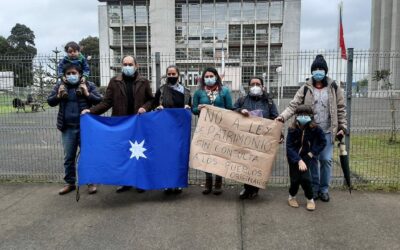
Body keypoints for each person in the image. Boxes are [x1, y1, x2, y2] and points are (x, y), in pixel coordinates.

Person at [276, 54, 347, 202]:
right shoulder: (305, 88)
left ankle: (324, 189)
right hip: (310, 130)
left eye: (321, 69)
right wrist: (282, 117)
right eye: (315, 69)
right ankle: (314, 189)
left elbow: (341, 108)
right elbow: (293, 105)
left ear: (326, 71)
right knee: (312, 160)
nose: (318, 71)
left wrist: (342, 126)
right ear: (312, 71)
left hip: (327, 130)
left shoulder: (334, 87)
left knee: (326, 160)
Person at [81, 55, 154, 193]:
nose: (127, 67)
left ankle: (140, 182)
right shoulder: (114, 82)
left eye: (130, 64)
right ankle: (125, 182)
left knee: (139, 154)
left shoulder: (143, 81)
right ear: (121, 66)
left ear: (136, 66)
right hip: (120, 124)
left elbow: (151, 100)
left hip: (138, 124)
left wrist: (145, 107)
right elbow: (106, 102)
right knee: (123, 153)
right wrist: (90, 112)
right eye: (125, 64)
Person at [47, 63, 102, 195]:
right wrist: (58, 96)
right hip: (68, 128)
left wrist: (87, 94)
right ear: (65, 76)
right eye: (68, 74)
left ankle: (90, 182)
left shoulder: (89, 85)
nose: (71, 76)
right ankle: (70, 183)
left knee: (87, 156)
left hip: (85, 128)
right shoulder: (60, 86)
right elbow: (50, 101)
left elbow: (100, 101)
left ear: (80, 74)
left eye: (74, 73)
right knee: (69, 157)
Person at [233, 76, 279, 199]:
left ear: (262, 86)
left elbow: (276, 117)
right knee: (246, 163)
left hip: (262, 139)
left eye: (258, 84)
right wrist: (240, 110)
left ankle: (255, 189)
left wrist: (277, 132)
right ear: (249, 86)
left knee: (258, 164)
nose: (255, 86)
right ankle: (247, 188)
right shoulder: (242, 100)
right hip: (246, 138)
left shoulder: (268, 101)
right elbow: (231, 110)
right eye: (252, 84)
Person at [192, 67, 233, 195]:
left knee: (219, 154)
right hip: (205, 129)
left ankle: (218, 182)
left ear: (216, 77)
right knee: (206, 154)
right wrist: (199, 108)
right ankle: (208, 182)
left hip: (221, 129)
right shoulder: (199, 93)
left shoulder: (224, 91)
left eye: (211, 76)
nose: (209, 78)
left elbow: (230, 109)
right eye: (206, 76)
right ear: (203, 79)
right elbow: (193, 110)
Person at [153, 65, 191, 195]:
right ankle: (166, 183)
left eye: (173, 74)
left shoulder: (185, 91)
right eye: (169, 74)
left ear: (178, 75)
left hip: (179, 129)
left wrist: (187, 107)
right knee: (165, 155)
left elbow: (190, 106)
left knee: (179, 156)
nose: (171, 76)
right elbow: (154, 104)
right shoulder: (162, 90)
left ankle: (178, 183)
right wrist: (158, 107)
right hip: (164, 129)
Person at [286, 105, 327, 211]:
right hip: (294, 157)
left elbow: (323, 142)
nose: (303, 116)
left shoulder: (315, 129)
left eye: (306, 114)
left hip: (307, 156)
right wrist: (298, 160)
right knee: (295, 179)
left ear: (311, 116)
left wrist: (312, 153)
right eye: (300, 114)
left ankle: (310, 199)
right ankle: (291, 197)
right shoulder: (292, 129)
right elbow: (289, 147)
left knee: (306, 179)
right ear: (296, 116)